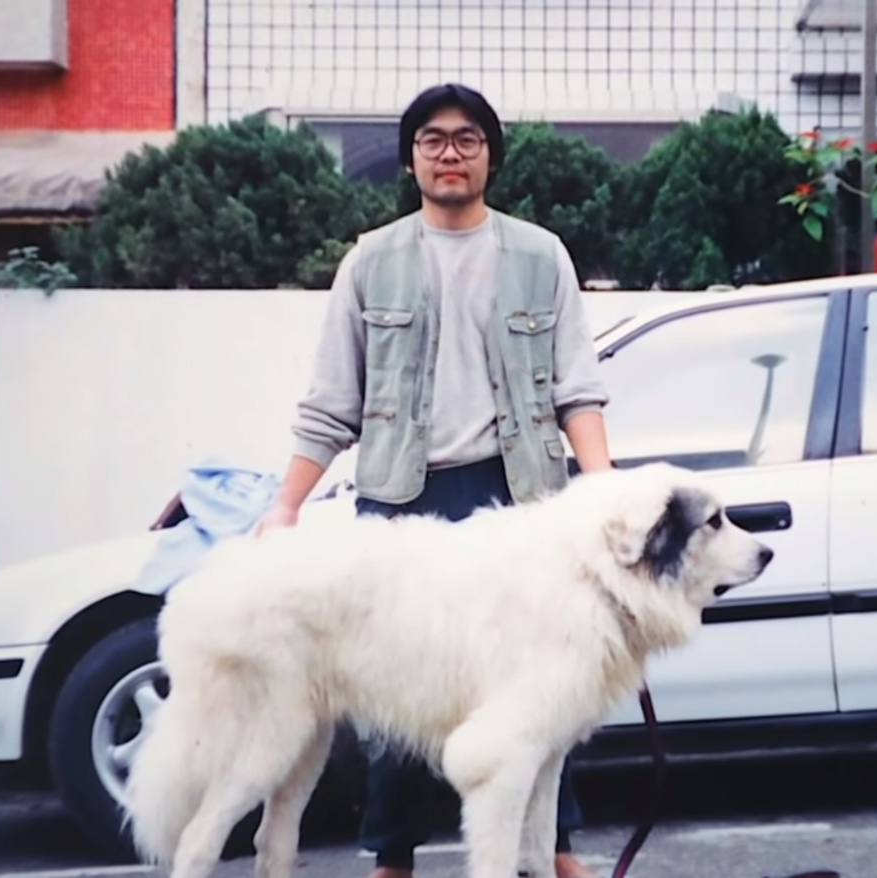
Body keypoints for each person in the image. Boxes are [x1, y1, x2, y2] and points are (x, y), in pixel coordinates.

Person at [255, 82, 613, 878]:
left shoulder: (540, 255)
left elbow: (578, 391)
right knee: (396, 691)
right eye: (433, 139)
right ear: (411, 157)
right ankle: (394, 856)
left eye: (467, 138)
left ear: (491, 155)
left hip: (519, 500)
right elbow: (331, 404)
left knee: (544, 685)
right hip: (401, 499)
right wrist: (285, 505)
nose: (451, 153)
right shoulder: (370, 261)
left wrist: (602, 493)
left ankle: (551, 850)